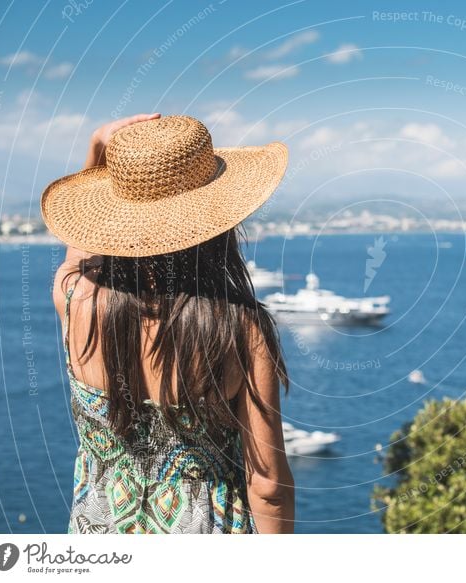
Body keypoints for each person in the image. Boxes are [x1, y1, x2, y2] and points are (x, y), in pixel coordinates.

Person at [40, 113, 294, 534]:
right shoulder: (241, 329)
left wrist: (98, 149)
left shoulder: (73, 298)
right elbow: (267, 485)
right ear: (219, 220)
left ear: (116, 217)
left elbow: (78, 254)